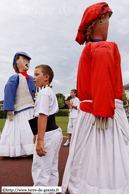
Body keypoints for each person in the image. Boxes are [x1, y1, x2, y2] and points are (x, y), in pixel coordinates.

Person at [62, 2, 129, 194]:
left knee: (88, 156)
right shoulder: (104, 47)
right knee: (108, 155)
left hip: (89, 113)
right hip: (101, 113)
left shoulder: (88, 49)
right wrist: (103, 109)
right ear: (100, 20)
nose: (109, 23)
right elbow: (102, 79)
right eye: (107, 19)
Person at [31, 65, 63, 194]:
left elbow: (43, 116)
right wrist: (37, 132)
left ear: (46, 77)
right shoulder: (48, 91)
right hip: (53, 132)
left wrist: (40, 139)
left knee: (41, 171)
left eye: (37, 74)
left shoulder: (44, 92)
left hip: (48, 135)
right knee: (51, 169)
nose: (34, 77)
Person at [0, 52, 36, 157]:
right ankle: (21, 150)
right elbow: (9, 92)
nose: (27, 62)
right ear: (16, 61)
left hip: (31, 108)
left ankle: (34, 148)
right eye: (24, 60)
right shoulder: (14, 78)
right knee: (21, 130)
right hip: (20, 108)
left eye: (28, 61)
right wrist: (9, 108)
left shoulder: (32, 79)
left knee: (33, 129)